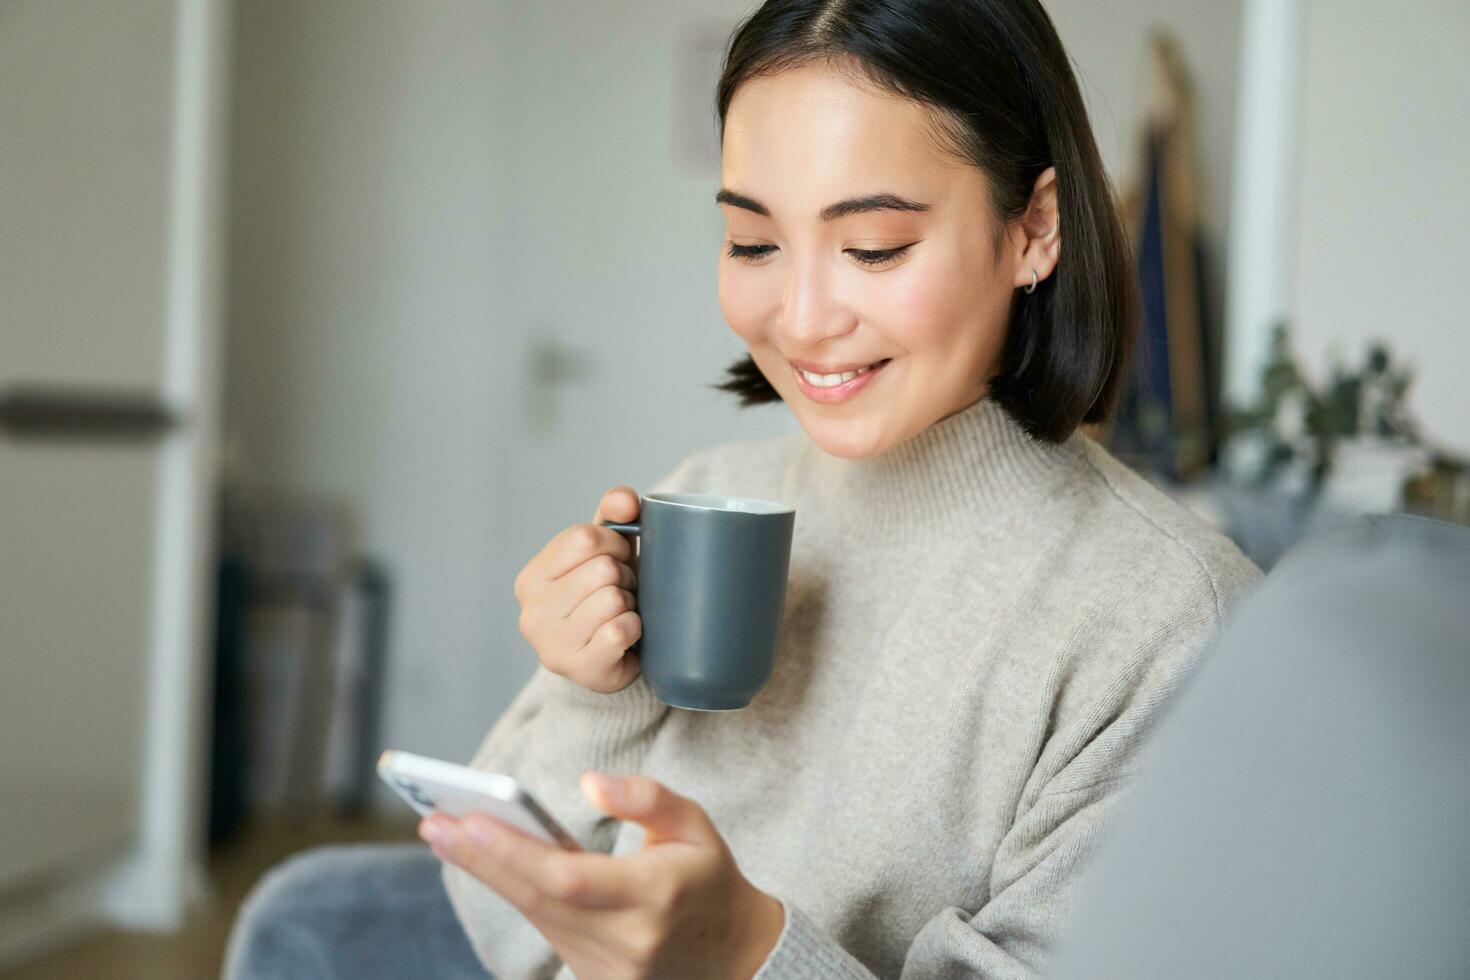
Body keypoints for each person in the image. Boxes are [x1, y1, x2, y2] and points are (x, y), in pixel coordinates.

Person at [225, 1, 1260, 977]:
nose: (803, 318)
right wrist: (597, 692)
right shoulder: (702, 498)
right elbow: (503, 925)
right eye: (754, 242)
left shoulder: (1166, 621)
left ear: (1034, 228)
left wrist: (743, 953)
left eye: (873, 246)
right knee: (305, 914)